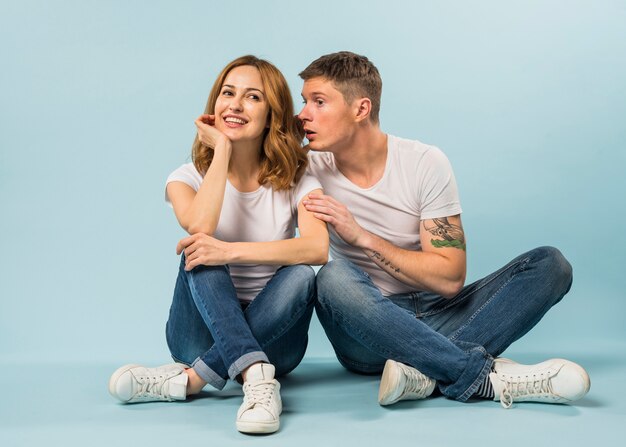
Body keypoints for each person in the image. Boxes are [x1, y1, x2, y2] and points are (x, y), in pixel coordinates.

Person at [298, 51, 590, 409]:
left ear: (361, 109)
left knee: (551, 265)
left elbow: (450, 279)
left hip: (441, 312)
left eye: (319, 102)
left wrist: (362, 237)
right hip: (367, 334)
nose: (303, 114)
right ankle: (474, 375)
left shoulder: (423, 163)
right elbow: (250, 159)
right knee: (331, 278)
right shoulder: (307, 167)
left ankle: (424, 373)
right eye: (304, 102)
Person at [108, 55, 329, 434]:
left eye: (253, 97)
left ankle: (191, 380)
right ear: (215, 103)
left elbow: (316, 248)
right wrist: (222, 152)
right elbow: (201, 225)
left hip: (278, 341)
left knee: (300, 274)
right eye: (228, 93)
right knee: (199, 252)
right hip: (196, 335)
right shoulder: (185, 177)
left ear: (272, 114)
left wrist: (231, 251)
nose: (236, 105)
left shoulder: (297, 176)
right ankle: (258, 377)